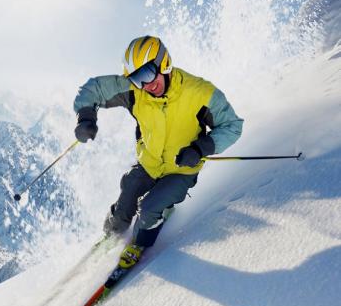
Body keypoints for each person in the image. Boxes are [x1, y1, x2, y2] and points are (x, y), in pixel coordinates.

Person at [73, 35, 243, 268]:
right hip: (149, 164)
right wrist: (85, 118)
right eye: (137, 78)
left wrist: (200, 148)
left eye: (148, 74)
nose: (146, 85)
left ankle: (139, 243)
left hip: (181, 169)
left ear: (164, 63)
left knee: (149, 208)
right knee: (126, 198)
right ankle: (112, 233)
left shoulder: (200, 92)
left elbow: (232, 126)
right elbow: (94, 88)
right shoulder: (136, 90)